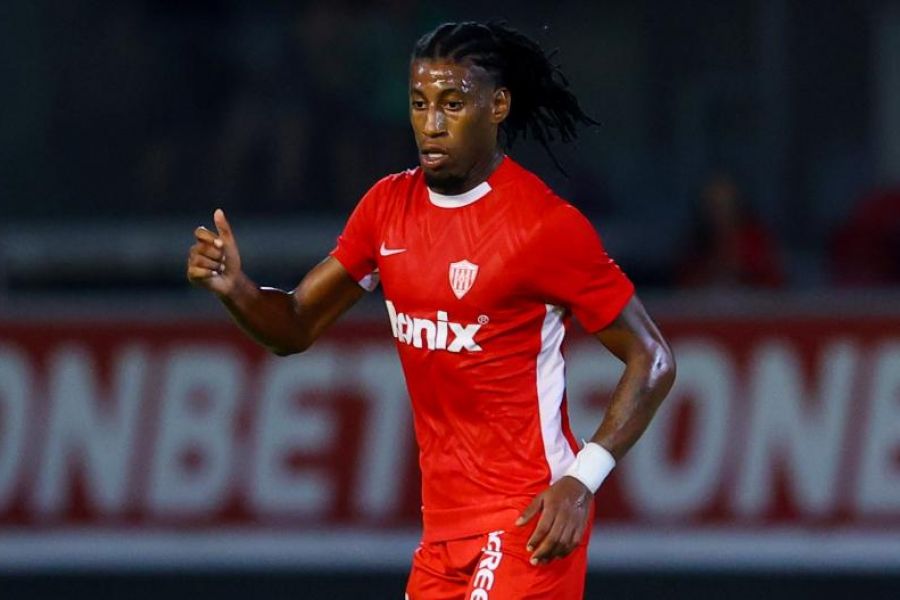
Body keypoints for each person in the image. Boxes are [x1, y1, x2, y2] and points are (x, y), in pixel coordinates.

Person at [187, 21, 675, 600]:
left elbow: (652, 358)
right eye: (419, 103)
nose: (432, 124)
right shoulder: (387, 208)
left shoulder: (542, 227)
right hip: (442, 533)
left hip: (530, 520)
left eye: (452, 104)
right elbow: (294, 325)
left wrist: (582, 481)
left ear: (497, 106)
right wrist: (236, 289)